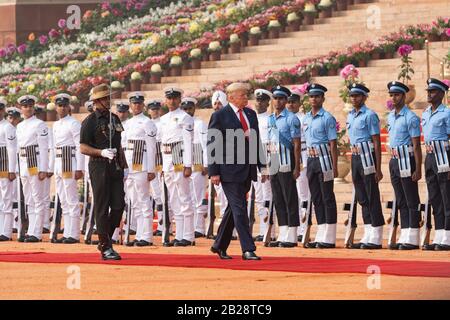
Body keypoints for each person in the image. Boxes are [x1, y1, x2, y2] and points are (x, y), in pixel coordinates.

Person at [208, 82, 267, 260]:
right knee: (240, 208)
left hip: (247, 168)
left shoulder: (250, 114)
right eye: (243, 95)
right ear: (231, 97)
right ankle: (248, 249)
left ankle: (219, 245)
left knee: (234, 210)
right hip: (228, 170)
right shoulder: (220, 115)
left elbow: (256, 140)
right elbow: (213, 144)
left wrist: (262, 165)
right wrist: (214, 172)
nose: (246, 98)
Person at [80, 84, 126, 260]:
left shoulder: (114, 118)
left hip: (115, 166)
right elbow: (83, 147)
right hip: (98, 165)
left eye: (109, 97)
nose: (109, 100)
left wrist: (124, 166)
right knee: (101, 206)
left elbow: (119, 145)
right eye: (105, 98)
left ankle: (104, 238)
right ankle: (106, 246)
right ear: (97, 101)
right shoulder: (90, 121)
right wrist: (100, 152)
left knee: (118, 205)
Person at [346, 84, 385, 249]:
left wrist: (378, 167)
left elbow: (376, 142)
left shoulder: (370, 115)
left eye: (358, 96)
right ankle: (368, 232)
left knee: (371, 195)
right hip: (355, 157)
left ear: (364, 97)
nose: (354, 98)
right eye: (352, 96)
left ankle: (376, 234)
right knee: (362, 197)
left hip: (368, 157)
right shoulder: (350, 116)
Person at [387, 80, 422, 250]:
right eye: (392, 95)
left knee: (410, 198)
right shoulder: (390, 116)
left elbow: (416, 145)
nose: (394, 98)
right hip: (394, 160)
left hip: (407, 159)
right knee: (400, 199)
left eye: (397, 94)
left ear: (404, 96)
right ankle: (405, 233)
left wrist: (418, 168)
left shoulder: (411, 117)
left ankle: (413, 236)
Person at [303, 84, 339, 249]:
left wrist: (335, 165)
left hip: (324, 159)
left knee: (327, 197)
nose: (314, 99)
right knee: (316, 198)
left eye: (317, 96)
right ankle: (321, 232)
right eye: (311, 96)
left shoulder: (328, 118)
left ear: (322, 98)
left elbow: (333, 144)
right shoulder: (306, 118)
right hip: (311, 160)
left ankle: (329, 236)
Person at [160, 87, 195, 246]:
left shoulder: (185, 117)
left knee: (184, 197)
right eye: (169, 98)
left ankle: (188, 236)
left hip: (179, 155)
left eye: (175, 98)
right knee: (174, 199)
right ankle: (179, 234)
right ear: (166, 100)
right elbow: (161, 143)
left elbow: (188, 142)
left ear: (179, 100)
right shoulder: (163, 118)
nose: (172, 101)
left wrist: (188, 164)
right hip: (167, 158)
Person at [267, 85, 301, 248]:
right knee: (278, 198)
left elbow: (296, 144)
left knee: (290, 197)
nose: (277, 101)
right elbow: (269, 142)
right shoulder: (270, 118)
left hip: (287, 161)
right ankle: (283, 232)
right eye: (275, 98)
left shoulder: (291, 118)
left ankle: (292, 234)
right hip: (274, 161)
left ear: (286, 100)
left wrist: (297, 166)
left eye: (281, 98)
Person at [122, 92, 157, 246]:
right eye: (133, 103)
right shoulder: (127, 123)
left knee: (143, 201)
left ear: (143, 105)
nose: (136, 105)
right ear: (130, 106)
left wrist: (151, 169)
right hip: (129, 166)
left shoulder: (147, 122)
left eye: (138, 103)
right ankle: (138, 235)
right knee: (134, 202)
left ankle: (147, 236)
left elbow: (151, 147)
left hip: (141, 164)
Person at [421, 78, 450, 251]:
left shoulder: (446, 113)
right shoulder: (425, 113)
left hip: (444, 155)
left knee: (447, 196)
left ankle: (447, 237)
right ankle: (439, 236)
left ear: (441, 94)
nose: (429, 94)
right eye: (428, 91)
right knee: (435, 196)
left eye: (432, 91)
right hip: (430, 155)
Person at [51, 93, 84, 244]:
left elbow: (79, 146)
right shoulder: (56, 125)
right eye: (59, 105)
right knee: (63, 199)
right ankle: (67, 232)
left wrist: (79, 167)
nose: (62, 108)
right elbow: (53, 147)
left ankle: (74, 234)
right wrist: (51, 167)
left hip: (69, 161)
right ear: (56, 108)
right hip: (59, 162)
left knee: (71, 199)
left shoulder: (74, 123)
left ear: (69, 107)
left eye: (65, 105)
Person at [16, 95, 49, 242]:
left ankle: (37, 232)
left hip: (35, 162)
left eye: (30, 106)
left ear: (33, 107)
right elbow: (18, 149)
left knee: (37, 198)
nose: (28, 108)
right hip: (24, 164)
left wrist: (43, 168)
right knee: (29, 199)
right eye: (25, 106)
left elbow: (43, 148)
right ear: (21, 108)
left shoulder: (39, 124)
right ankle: (30, 230)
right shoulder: (20, 126)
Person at [181, 97, 209, 238]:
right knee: (188, 196)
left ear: (194, 109)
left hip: (198, 160)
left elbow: (205, 144)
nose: (187, 111)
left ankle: (200, 227)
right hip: (184, 162)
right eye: (184, 109)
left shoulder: (200, 124)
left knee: (198, 196)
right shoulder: (181, 122)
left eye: (189, 108)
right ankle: (189, 227)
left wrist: (206, 163)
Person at [253, 89, 275, 242]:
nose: (259, 103)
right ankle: (262, 229)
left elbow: (273, 144)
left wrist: (268, 166)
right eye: (257, 100)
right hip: (254, 161)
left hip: (266, 160)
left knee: (268, 196)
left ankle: (270, 231)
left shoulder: (271, 119)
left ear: (268, 103)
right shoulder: (252, 119)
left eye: (262, 100)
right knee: (259, 198)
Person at [287, 91, 309, 242]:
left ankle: (304, 228)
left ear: (299, 103)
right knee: (290, 193)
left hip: (302, 154)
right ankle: (292, 228)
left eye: (294, 102)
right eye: (289, 102)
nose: (290, 104)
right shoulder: (285, 118)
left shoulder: (304, 118)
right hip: (287, 156)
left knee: (303, 194)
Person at [0, 97, 17, 241]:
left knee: (6, 197)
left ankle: (6, 231)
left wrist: (12, 170)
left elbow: (12, 149)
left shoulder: (8, 127)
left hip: (5, 164)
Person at [34, 104, 53, 234]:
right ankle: (41, 222)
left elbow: (50, 149)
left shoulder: (47, 128)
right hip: (36, 165)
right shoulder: (35, 127)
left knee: (45, 196)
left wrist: (49, 167)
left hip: (44, 166)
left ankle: (45, 223)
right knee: (40, 196)